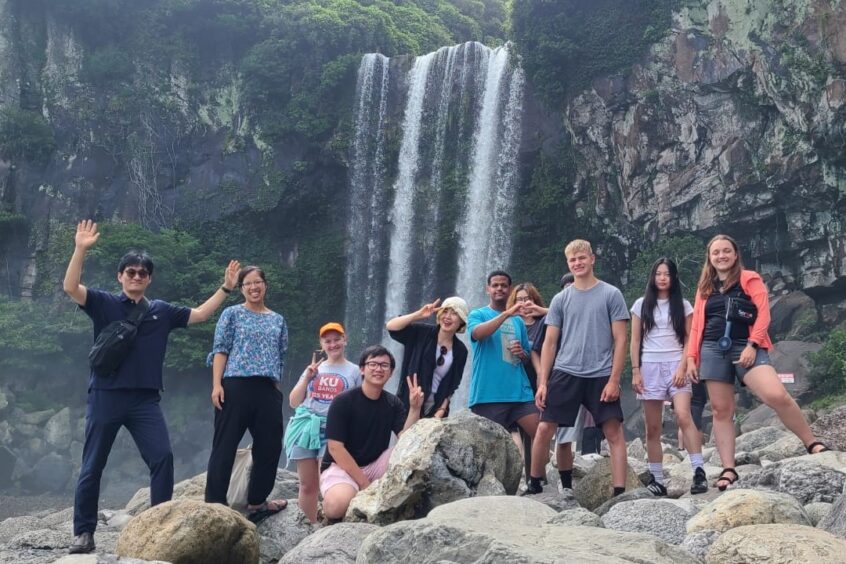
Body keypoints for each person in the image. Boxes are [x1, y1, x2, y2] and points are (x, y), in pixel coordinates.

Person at [63, 220, 238, 554]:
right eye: (130, 271)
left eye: (143, 272)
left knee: (163, 458)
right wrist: (80, 248)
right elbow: (72, 287)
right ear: (120, 276)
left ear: (149, 278)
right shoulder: (103, 303)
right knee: (92, 465)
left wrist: (226, 288)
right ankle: (83, 533)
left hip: (145, 400)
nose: (136, 276)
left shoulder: (161, 311)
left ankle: (159, 523)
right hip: (106, 395)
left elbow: (200, 315)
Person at [686, 234, 829, 490]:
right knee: (721, 410)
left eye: (726, 251)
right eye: (716, 252)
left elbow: (763, 315)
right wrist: (691, 358)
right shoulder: (704, 287)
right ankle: (729, 469)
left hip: (745, 345)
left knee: (776, 395)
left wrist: (753, 344)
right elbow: (697, 326)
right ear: (709, 257)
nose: (721, 256)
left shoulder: (749, 279)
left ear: (735, 254)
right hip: (711, 348)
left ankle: (811, 442)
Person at [528, 239, 629, 496]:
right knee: (544, 427)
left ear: (592, 259)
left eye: (582, 258)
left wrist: (614, 380)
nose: (578, 263)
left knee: (613, 430)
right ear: (568, 263)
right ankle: (535, 481)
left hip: (600, 372)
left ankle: (620, 490)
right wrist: (543, 382)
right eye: (573, 260)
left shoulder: (611, 294)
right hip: (566, 370)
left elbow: (621, 339)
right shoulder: (561, 299)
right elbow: (550, 343)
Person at [205, 266, 289, 524]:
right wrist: (217, 385)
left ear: (265, 285)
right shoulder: (231, 314)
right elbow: (221, 350)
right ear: (241, 288)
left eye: (258, 282)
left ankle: (257, 501)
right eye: (248, 284)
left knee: (270, 446)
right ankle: (215, 504)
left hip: (267, 388)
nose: (254, 287)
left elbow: (280, 354)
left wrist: (276, 388)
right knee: (224, 445)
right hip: (235, 386)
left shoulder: (277, 319)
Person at [630, 257, 707, 496]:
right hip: (649, 366)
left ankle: (698, 471)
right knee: (652, 427)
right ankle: (657, 478)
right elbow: (634, 340)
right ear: (652, 277)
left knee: (684, 416)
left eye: (667, 274)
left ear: (673, 278)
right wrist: (635, 371)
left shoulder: (683, 305)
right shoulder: (641, 304)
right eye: (658, 274)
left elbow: (689, 339)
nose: (662, 278)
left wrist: (683, 367)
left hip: (676, 364)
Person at [319, 345, 423, 520]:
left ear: (391, 372)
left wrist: (415, 409)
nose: (378, 369)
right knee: (336, 508)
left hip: (375, 465)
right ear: (361, 369)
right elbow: (336, 448)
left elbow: (406, 441)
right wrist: (365, 484)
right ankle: (335, 492)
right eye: (373, 364)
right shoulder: (343, 401)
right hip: (341, 466)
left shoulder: (393, 403)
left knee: (407, 452)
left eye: (384, 365)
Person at [284, 322, 360, 523]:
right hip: (306, 428)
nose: (333, 344)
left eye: (337, 339)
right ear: (321, 344)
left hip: (333, 433)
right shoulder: (314, 369)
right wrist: (307, 377)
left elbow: (360, 405)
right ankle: (306, 527)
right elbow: (293, 401)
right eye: (328, 341)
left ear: (345, 340)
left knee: (328, 483)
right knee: (307, 485)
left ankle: (327, 526)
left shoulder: (354, 371)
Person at [467, 271, 539, 474]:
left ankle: (535, 480)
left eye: (504, 285)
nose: (499, 288)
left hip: (519, 392)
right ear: (488, 289)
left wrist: (521, 353)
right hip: (488, 394)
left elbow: (526, 355)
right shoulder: (478, 314)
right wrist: (506, 313)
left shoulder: (518, 322)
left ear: (510, 289)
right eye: (495, 285)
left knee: (541, 431)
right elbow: (478, 334)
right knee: (487, 448)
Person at [386, 296, 469, 418]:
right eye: (445, 311)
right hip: (409, 402)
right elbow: (391, 326)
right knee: (406, 436)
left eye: (455, 313)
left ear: (461, 320)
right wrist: (418, 314)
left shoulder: (461, 350)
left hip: (436, 410)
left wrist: (442, 409)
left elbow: (453, 384)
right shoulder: (421, 333)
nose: (447, 317)